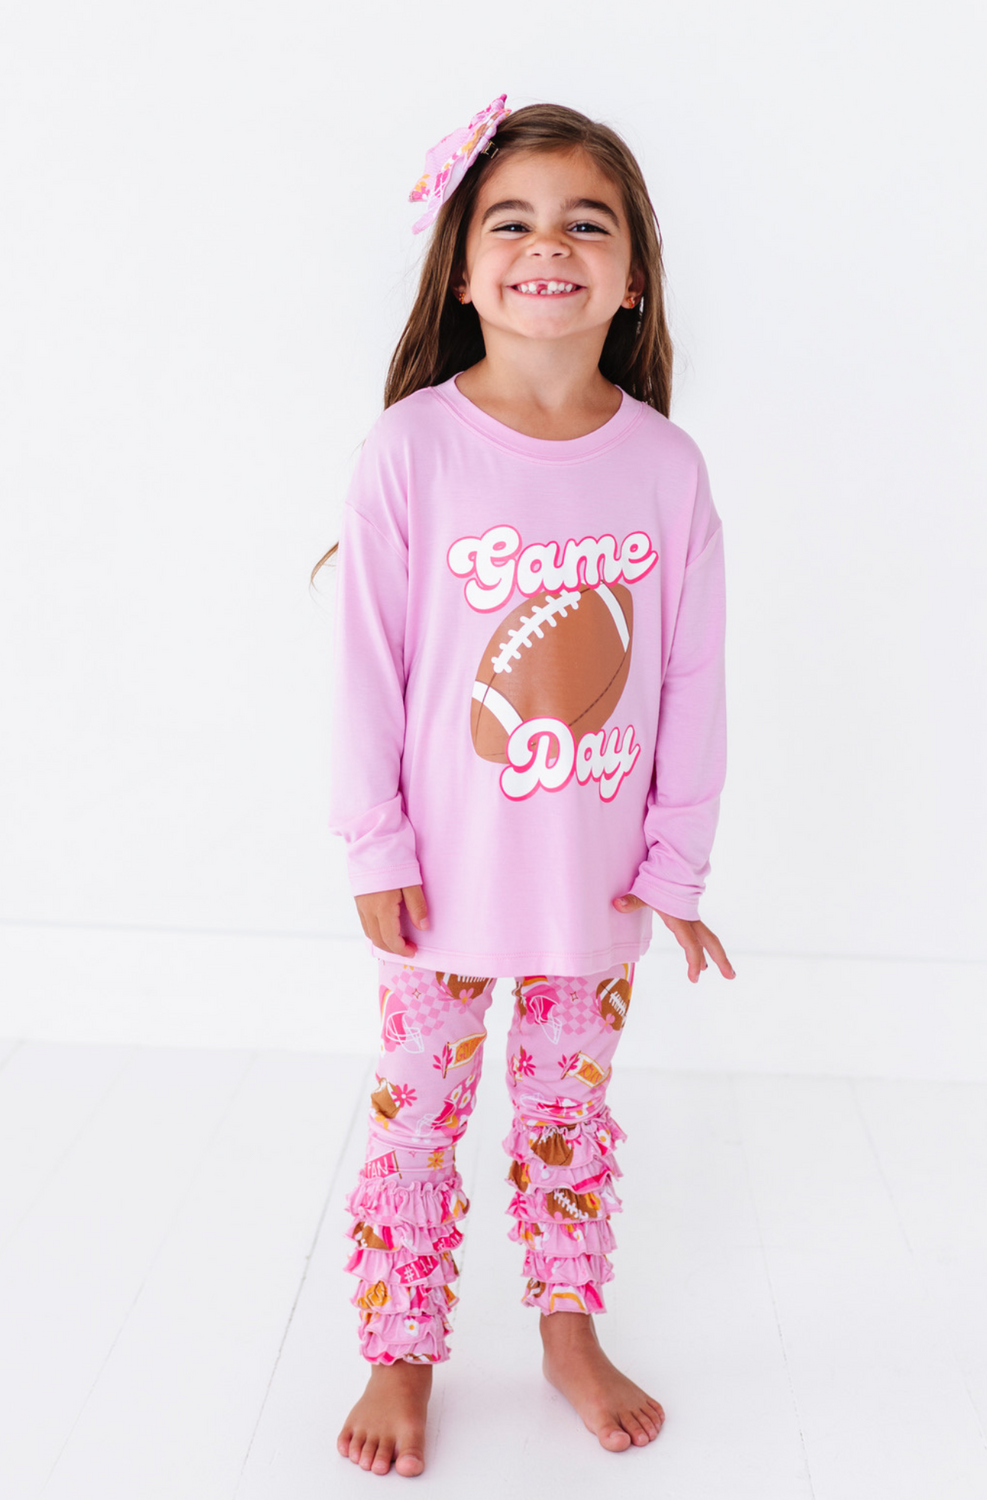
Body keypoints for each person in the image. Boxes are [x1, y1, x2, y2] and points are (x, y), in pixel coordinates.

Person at [316, 95, 735, 1478]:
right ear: (461, 267)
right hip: (441, 879)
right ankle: (400, 1352)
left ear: (632, 275)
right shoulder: (412, 449)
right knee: (419, 1116)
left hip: (592, 885)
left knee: (567, 1115)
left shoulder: (665, 469)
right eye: (512, 221)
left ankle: (566, 1332)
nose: (547, 246)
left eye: (584, 223)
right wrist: (375, 844)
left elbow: (692, 680)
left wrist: (675, 868)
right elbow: (367, 667)